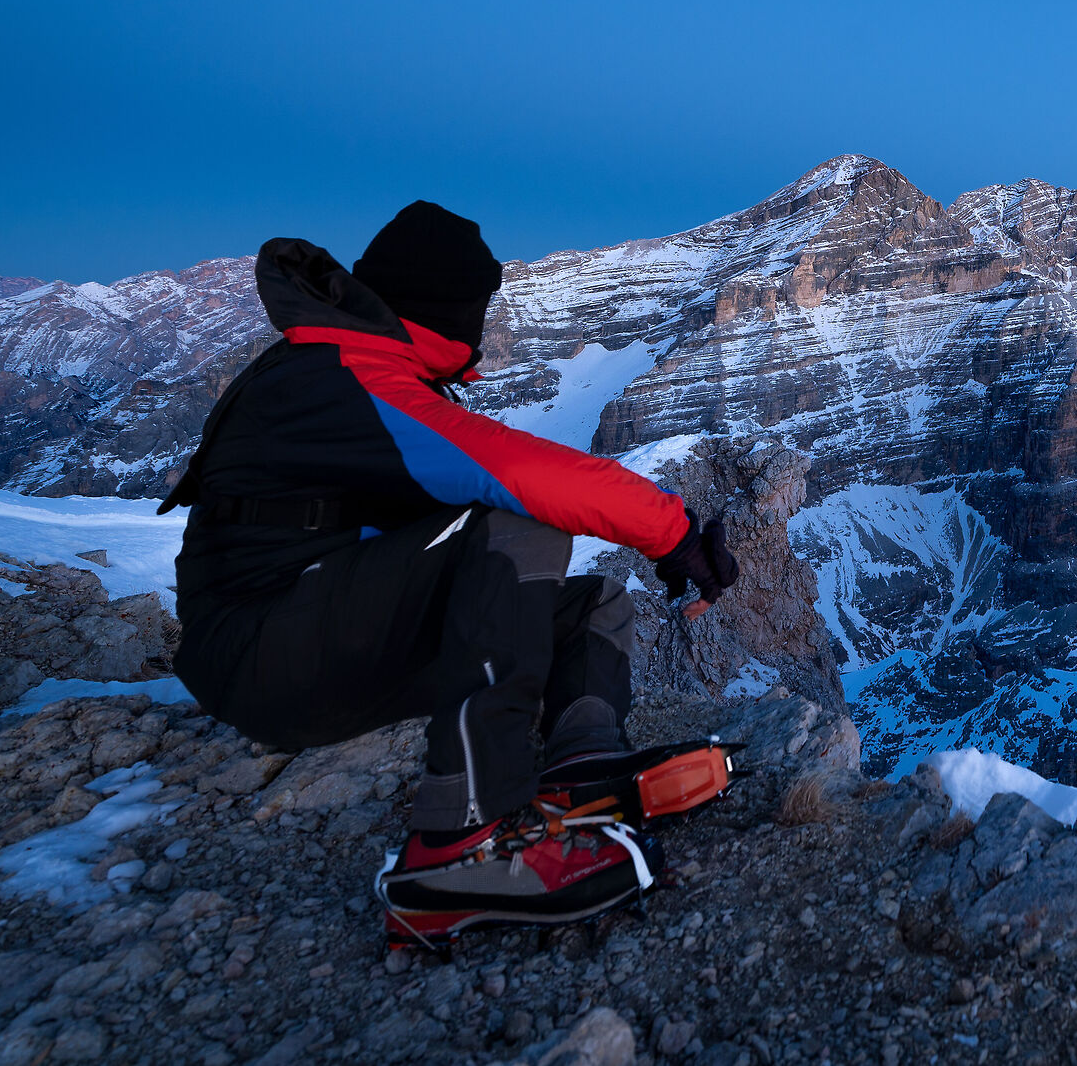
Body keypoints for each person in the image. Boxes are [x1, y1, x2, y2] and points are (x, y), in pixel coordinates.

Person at [165, 201, 738, 942]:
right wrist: (675, 534)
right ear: (441, 309)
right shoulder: (346, 375)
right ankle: (461, 842)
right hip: (261, 653)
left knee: (593, 603)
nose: (483, 337)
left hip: (308, 631)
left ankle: (581, 767)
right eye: (477, 313)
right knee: (518, 522)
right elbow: (517, 473)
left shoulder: (364, 366)